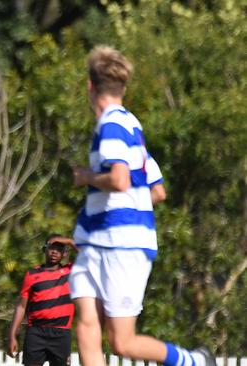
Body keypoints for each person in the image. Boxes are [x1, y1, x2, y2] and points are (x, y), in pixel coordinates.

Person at [69, 46, 215, 366]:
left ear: (90, 86)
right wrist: (130, 207)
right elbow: (157, 191)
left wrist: (86, 177)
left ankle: (193, 362)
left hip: (121, 246)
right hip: (97, 240)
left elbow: (119, 180)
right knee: (86, 326)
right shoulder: (132, 127)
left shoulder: (111, 126)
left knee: (122, 342)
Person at [7, 234, 77, 366]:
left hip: (61, 333)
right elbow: (21, 307)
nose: (55, 251)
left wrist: (68, 241)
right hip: (36, 332)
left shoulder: (70, 271)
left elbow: (89, 256)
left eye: (59, 248)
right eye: (51, 247)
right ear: (45, 249)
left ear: (63, 253)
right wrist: (11, 335)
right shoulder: (32, 274)